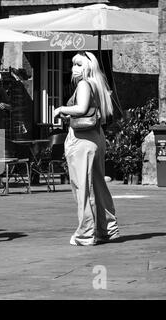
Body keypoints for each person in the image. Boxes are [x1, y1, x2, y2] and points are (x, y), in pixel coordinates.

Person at [53, 51, 119, 246]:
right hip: (96, 137)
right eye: (74, 64)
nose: (74, 68)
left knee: (83, 187)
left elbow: (81, 109)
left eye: (79, 64)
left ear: (88, 67)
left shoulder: (83, 84)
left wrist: (62, 109)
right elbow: (89, 111)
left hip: (82, 141)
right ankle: (107, 229)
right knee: (97, 185)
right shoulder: (97, 84)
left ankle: (85, 233)